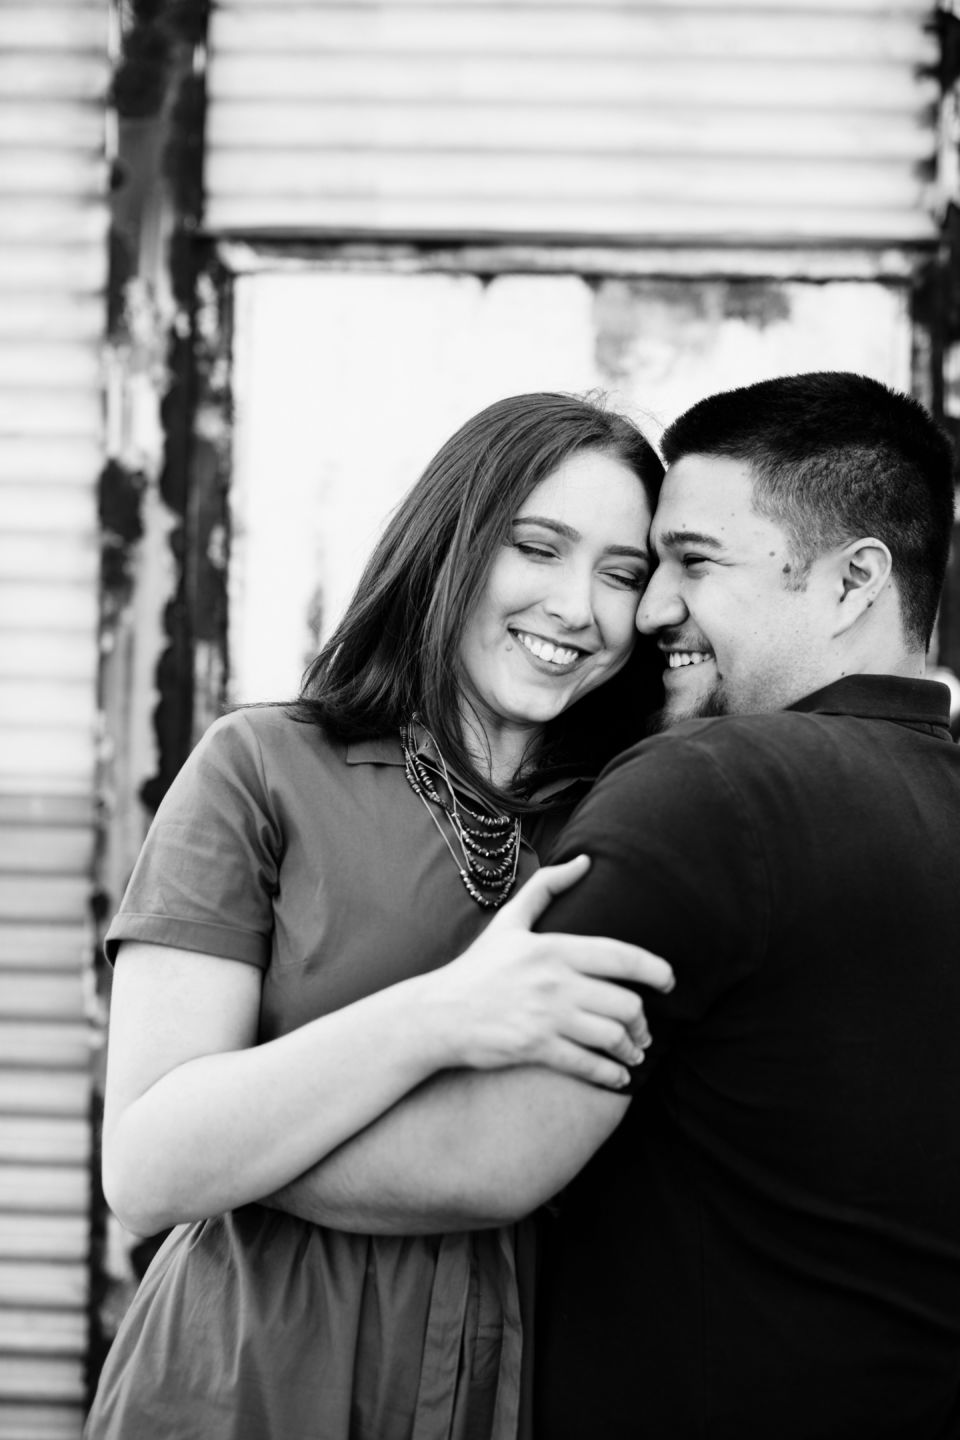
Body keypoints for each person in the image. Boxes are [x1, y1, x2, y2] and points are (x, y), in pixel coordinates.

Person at [260, 373, 960, 1439]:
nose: (652, 610)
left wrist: (216, 1150)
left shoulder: (712, 786)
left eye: (695, 563)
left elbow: (485, 1157)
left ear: (855, 579)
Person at [85, 391, 676, 1440]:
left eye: (623, 574)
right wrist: (442, 1014)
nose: (577, 607)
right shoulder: (261, 768)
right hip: (250, 1374)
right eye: (537, 548)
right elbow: (149, 1168)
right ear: (450, 544)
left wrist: (251, 1150)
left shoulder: (632, 817)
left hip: (518, 1376)